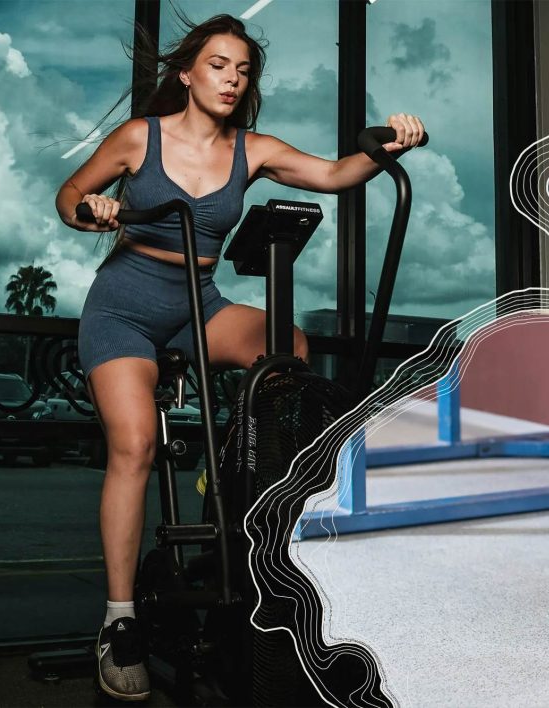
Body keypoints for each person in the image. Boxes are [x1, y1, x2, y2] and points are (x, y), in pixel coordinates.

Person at [54, 14, 424, 701]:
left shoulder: (253, 150)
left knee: (290, 349)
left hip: (200, 304)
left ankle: (233, 468)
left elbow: (337, 173)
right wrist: (94, 210)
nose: (231, 79)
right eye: (218, 66)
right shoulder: (141, 138)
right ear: (188, 74)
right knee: (133, 446)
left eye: (242, 70)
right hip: (125, 309)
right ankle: (119, 620)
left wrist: (386, 143)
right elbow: (67, 195)